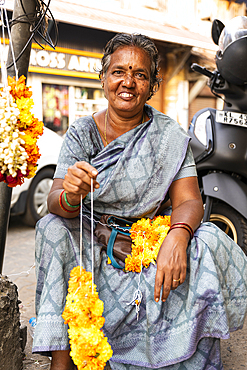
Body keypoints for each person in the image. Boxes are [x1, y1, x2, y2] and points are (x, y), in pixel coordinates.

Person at [33, 33, 247, 370]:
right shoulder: (82, 133)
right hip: (91, 238)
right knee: (51, 227)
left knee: (208, 239)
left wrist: (178, 234)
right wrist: (72, 195)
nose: (128, 82)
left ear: (153, 86)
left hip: (148, 241)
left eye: (140, 74)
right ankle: (63, 363)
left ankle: (178, 352)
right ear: (103, 79)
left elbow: (189, 200)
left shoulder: (169, 135)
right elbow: (56, 202)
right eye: (118, 72)